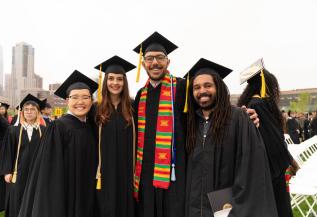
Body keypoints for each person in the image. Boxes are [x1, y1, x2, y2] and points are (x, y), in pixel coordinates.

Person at [184, 58, 278, 217]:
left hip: (226, 206)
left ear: (218, 88)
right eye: (196, 87)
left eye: (208, 85)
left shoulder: (238, 118)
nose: (202, 91)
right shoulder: (191, 122)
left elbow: (251, 168)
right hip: (195, 207)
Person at [18, 70, 98, 217]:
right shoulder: (59, 127)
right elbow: (50, 170)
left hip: (87, 194)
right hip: (65, 195)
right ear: (67, 101)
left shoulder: (92, 127)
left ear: (91, 101)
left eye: (85, 97)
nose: (80, 102)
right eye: (75, 97)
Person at [132, 32, 187, 217]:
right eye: (149, 58)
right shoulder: (140, 95)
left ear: (168, 62)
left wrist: (242, 114)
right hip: (145, 175)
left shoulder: (181, 88)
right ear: (143, 64)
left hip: (174, 173)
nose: (155, 63)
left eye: (160, 58)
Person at [238, 59, 295, 217]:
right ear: (265, 84)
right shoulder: (259, 105)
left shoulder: (252, 103)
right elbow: (273, 142)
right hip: (269, 171)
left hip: (261, 170)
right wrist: (287, 161)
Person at [94, 55, 136, 217]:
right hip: (104, 172)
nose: (115, 83)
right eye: (111, 78)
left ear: (125, 82)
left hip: (127, 171)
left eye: (120, 79)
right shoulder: (96, 109)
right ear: (105, 82)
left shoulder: (133, 106)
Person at [0, 94, 46, 217]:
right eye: (26, 109)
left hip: (38, 173)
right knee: (16, 201)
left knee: (36, 201)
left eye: (33, 109)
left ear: (38, 112)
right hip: (17, 173)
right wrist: (7, 171)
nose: (29, 112)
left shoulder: (45, 130)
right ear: (22, 112)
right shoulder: (13, 131)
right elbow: (7, 152)